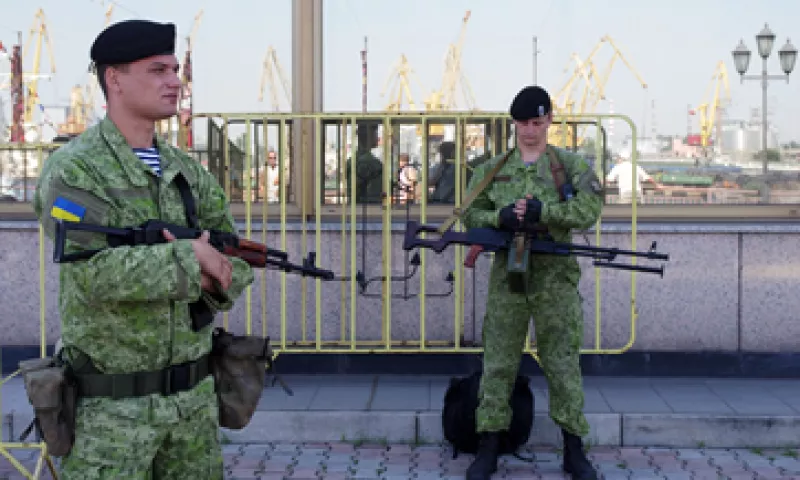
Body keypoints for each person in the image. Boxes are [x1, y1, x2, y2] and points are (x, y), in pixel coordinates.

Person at [33, 19, 254, 479]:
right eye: (158, 70)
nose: (175, 81)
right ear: (114, 78)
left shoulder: (186, 172)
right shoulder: (74, 170)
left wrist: (217, 267)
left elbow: (233, 257)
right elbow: (92, 274)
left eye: (175, 70)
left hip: (192, 407)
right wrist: (192, 258)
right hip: (110, 415)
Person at [461, 85, 603, 480]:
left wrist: (549, 212)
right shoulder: (491, 168)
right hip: (508, 281)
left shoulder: (569, 166)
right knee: (498, 363)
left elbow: (590, 208)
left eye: (537, 122)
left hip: (555, 283)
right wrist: (499, 218)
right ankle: (488, 446)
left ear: (549, 122)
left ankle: (574, 451)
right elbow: (470, 213)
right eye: (523, 123)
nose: (529, 131)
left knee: (562, 365)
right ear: (514, 124)